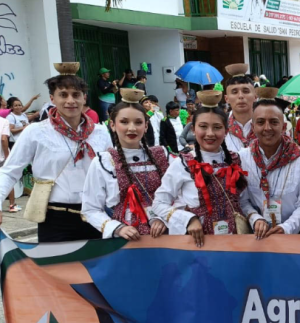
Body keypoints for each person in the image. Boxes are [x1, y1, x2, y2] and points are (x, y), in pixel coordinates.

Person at [0, 63, 113, 241]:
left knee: (97, 267)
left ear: (84, 98)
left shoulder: (100, 132)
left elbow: (111, 172)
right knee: (58, 268)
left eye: (76, 95)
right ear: (52, 98)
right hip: (54, 218)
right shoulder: (36, 131)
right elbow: (9, 171)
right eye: (63, 95)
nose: (70, 100)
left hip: (96, 215)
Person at [153, 91, 261, 247]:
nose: (210, 133)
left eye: (217, 127)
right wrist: (188, 219)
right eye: (203, 126)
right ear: (193, 130)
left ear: (226, 130)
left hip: (235, 240)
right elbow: (159, 203)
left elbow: (242, 201)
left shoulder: (235, 160)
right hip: (198, 243)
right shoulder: (183, 163)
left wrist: (256, 218)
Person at [82, 89, 173, 240]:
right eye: (124, 122)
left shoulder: (162, 155)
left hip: (164, 236)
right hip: (125, 240)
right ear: (112, 125)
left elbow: (181, 195)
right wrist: (117, 228)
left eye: (138, 122)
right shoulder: (103, 161)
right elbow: (90, 208)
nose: (132, 128)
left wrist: (164, 217)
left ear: (146, 126)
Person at [239, 87, 300, 237]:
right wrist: (255, 218)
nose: (267, 128)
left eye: (274, 122)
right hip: (258, 236)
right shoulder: (243, 157)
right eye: (260, 122)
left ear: (284, 127)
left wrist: (286, 228)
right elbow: (243, 200)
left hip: (294, 235)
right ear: (253, 128)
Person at [223, 64, 257, 152]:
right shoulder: (220, 126)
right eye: (234, 92)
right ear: (226, 99)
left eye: (246, 91)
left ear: (255, 96)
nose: (241, 96)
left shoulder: (266, 125)